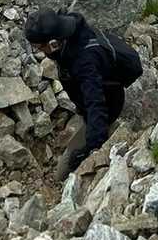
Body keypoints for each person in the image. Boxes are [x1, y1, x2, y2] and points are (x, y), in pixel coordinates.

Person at [25, 10, 140, 174]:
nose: (38, 51)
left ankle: (108, 129)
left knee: (63, 171)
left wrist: (92, 148)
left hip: (109, 103)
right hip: (90, 96)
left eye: (38, 47)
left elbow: (96, 104)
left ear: (52, 43)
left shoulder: (84, 61)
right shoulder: (66, 30)